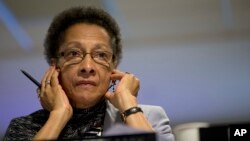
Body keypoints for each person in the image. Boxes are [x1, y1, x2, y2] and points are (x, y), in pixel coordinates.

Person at [3, 6, 174, 141]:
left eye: (101, 55)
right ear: (55, 66)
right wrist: (58, 116)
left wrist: (129, 107)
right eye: (73, 53)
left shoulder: (149, 117)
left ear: (112, 67)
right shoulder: (25, 127)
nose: (87, 66)